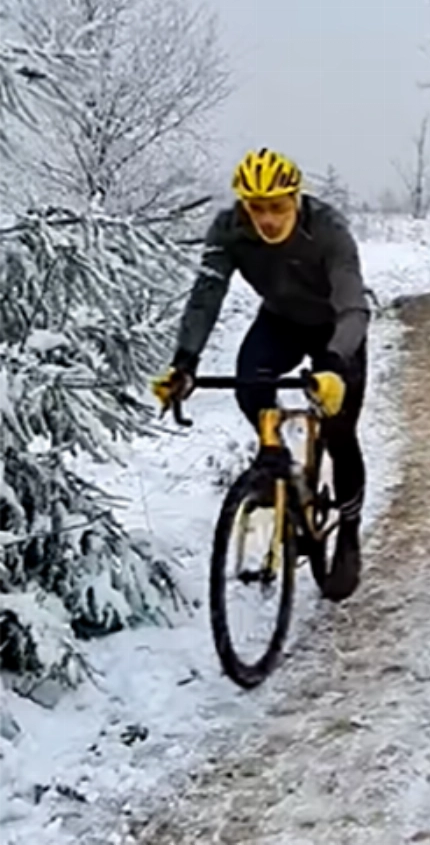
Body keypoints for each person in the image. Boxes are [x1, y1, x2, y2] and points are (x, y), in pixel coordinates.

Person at [150, 147, 371, 601]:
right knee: (251, 385)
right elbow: (205, 295)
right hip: (281, 323)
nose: (267, 219)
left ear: (296, 198)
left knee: (339, 427)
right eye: (257, 208)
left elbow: (353, 305)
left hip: (336, 327)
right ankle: (277, 468)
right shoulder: (230, 230)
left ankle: (348, 530)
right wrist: (184, 362)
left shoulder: (327, 230)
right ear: (244, 206)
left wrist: (332, 365)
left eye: (278, 207)